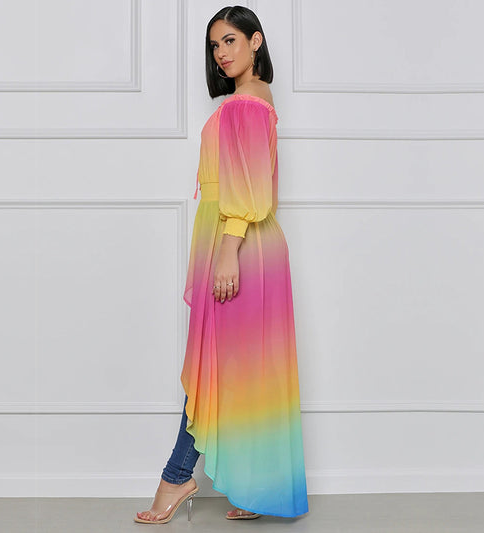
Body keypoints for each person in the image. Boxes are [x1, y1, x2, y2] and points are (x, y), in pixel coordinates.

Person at [135, 5, 309, 524]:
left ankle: (177, 477)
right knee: (243, 370)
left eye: (230, 40)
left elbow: (249, 188)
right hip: (244, 242)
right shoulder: (256, 99)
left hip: (240, 246)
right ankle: (253, 486)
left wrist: (229, 249)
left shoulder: (245, 104)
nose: (221, 53)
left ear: (256, 41)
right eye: (215, 45)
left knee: (214, 368)